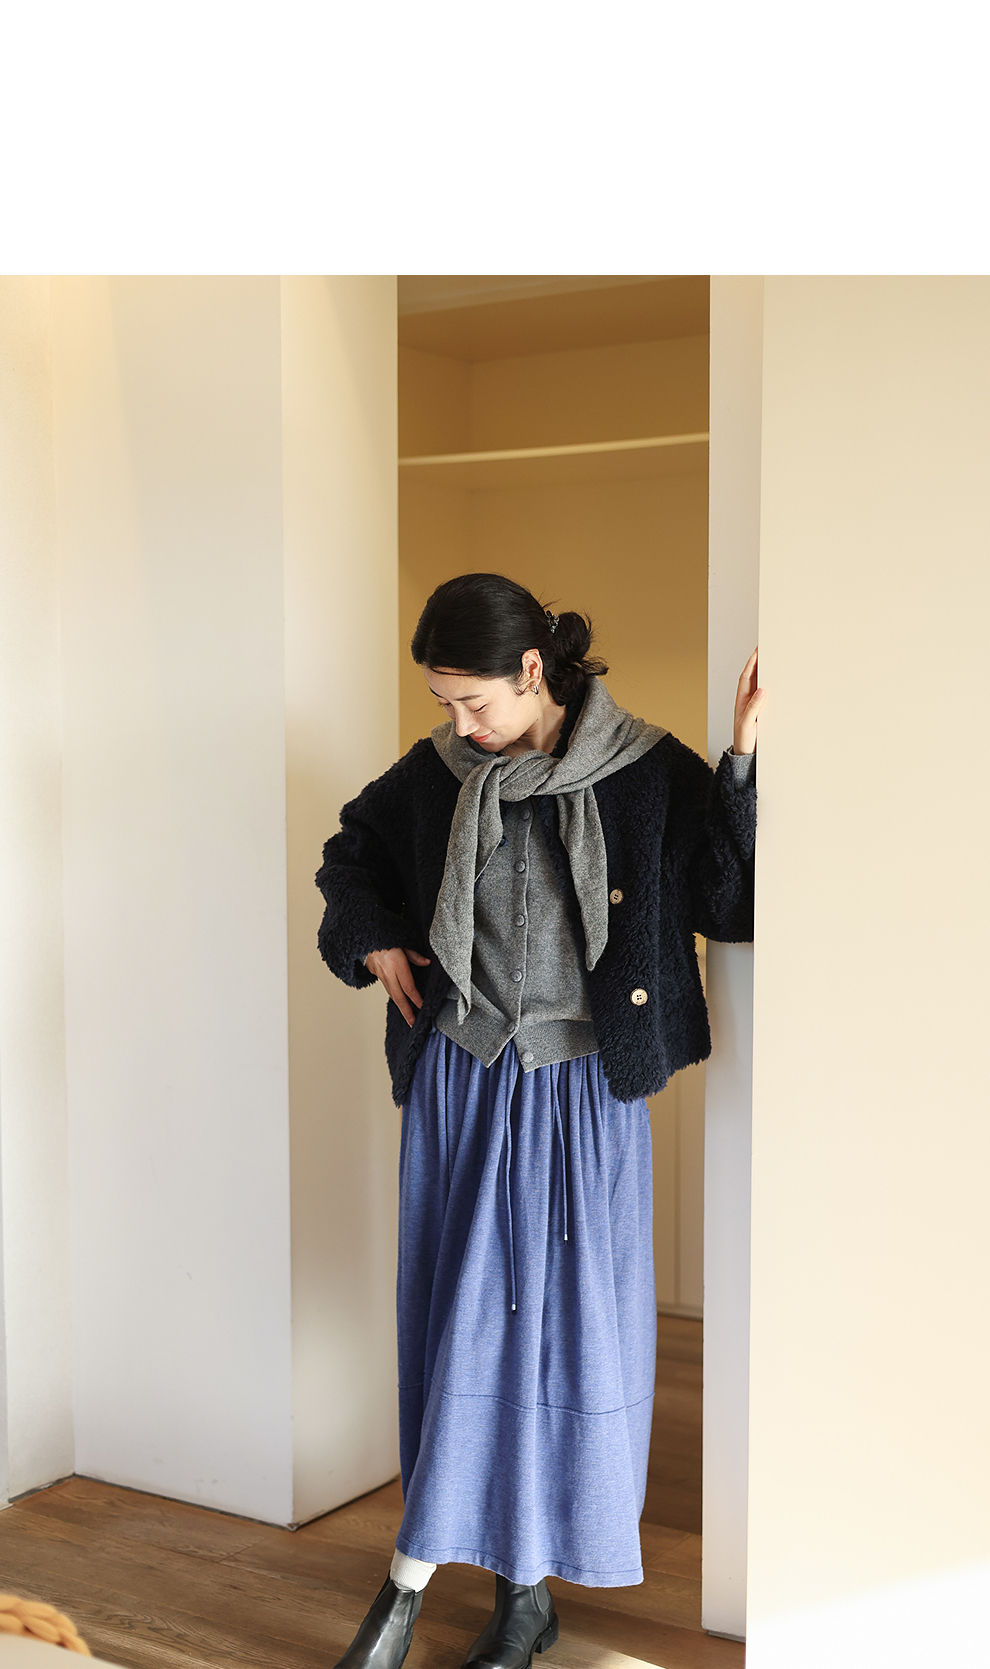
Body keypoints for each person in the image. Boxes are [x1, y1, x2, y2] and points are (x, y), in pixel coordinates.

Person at [314, 571, 763, 1669]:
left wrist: (743, 761)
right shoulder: (436, 774)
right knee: (460, 1324)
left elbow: (728, 901)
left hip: (582, 1093)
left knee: (564, 1339)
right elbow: (350, 854)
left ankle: (502, 1589)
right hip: (462, 1081)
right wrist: (373, 936)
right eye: (444, 704)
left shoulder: (647, 770)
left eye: (474, 701)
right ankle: (458, 1581)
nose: (460, 724)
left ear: (532, 670)